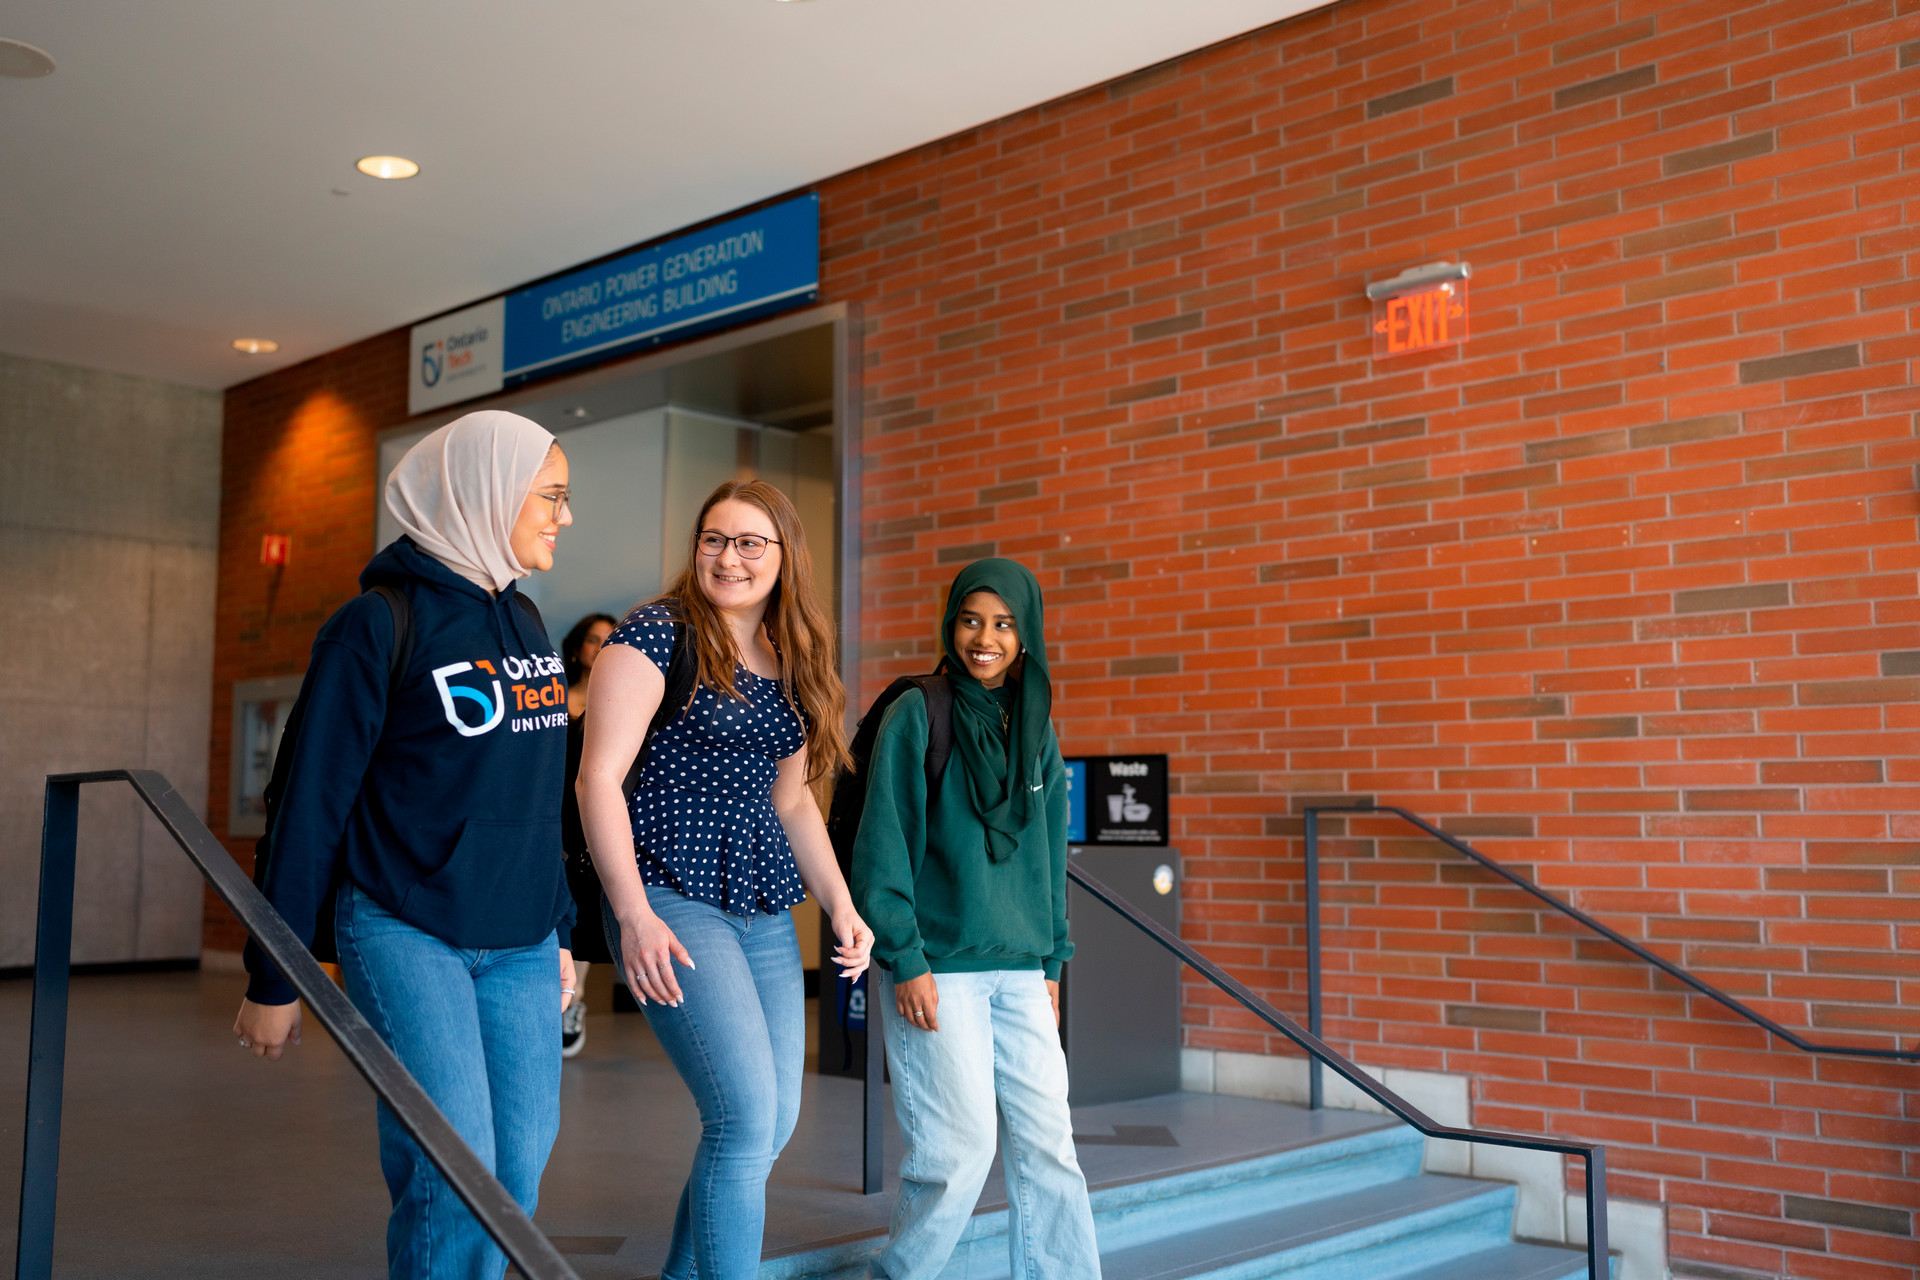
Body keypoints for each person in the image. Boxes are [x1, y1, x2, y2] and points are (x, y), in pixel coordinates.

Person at [233, 410, 580, 1280]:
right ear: (486, 493)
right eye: (554, 496)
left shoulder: (528, 620)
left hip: (522, 939)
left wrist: (562, 926)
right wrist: (276, 974)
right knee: (453, 1168)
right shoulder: (375, 625)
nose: (565, 517)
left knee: (517, 1173)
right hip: (405, 925)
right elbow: (310, 806)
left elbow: (540, 799)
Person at [577, 479, 874, 1280]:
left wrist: (842, 905)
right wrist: (633, 913)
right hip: (666, 892)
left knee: (767, 1127)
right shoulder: (655, 634)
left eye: (750, 542)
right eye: (714, 538)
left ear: (784, 558)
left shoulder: (790, 655)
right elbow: (597, 779)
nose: (728, 557)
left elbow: (793, 804)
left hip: (761, 906)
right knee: (742, 1121)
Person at [852, 558, 1101, 1280]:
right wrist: (905, 957)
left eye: (1002, 623)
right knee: (957, 1154)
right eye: (970, 620)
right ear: (950, 623)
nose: (983, 638)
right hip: (940, 968)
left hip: (1023, 971)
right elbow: (883, 845)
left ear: (1027, 634)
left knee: (1050, 1146)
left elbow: (1050, 855)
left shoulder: (1036, 726)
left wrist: (1052, 962)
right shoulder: (916, 712)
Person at [560, 611, 618, 1057]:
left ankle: (571, 1001)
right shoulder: (552, 696)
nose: (601, 646)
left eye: (609, 639)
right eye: (594, 639)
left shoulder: (618, 702)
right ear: (579, 647)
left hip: (589, 819)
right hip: (549, 816)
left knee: (581, 910)